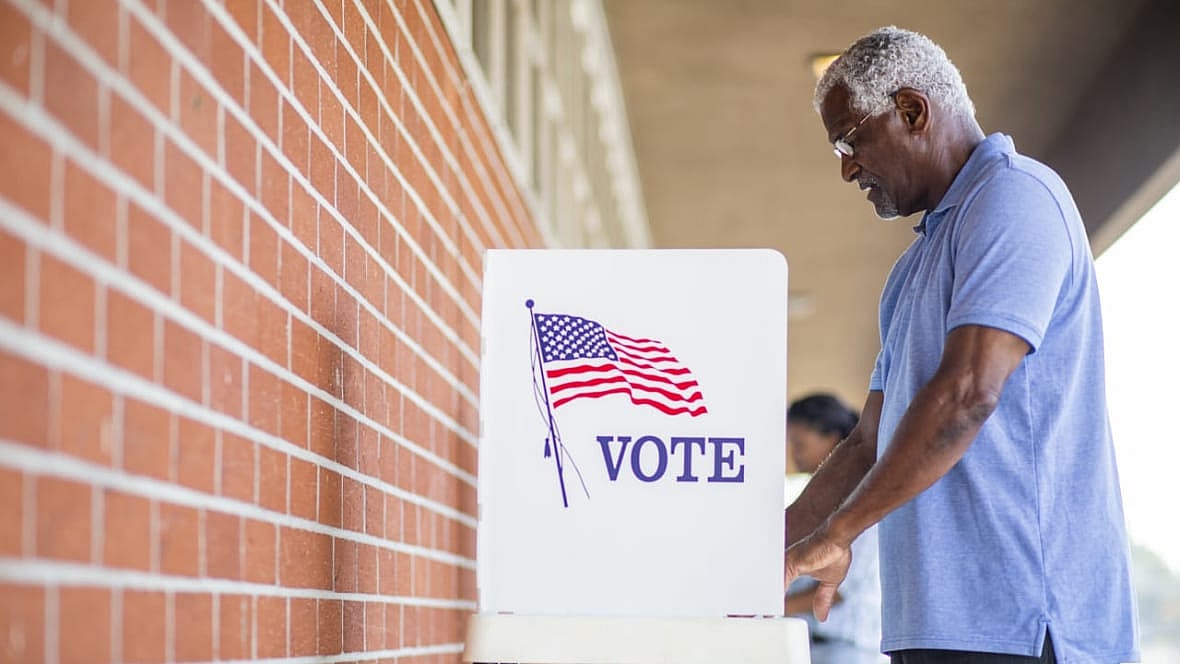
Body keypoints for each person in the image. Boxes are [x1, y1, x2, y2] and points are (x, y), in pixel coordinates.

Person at [784, 26, 1140, 664]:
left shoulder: (1014, 198)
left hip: (1027, 621)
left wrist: (840, 534)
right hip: (934, 624)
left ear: (913, 111)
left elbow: (969, 393)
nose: (846, 168)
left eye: (850, 140)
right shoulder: (912, 270)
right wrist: (770, 556)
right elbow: (868, 441)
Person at [785, 394, 887, 664]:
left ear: (831, 439)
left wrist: (771, 608)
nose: (794, 455)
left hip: (849, 647)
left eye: (800, 444)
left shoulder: (862, 498)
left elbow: (843, 588)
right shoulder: (813, 501)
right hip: (816, 643)